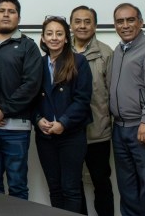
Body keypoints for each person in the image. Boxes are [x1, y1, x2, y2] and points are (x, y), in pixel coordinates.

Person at [0, 0, 41, 199]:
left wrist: (2, 110)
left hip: (16, 131)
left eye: (11, 12)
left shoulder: (28, 46)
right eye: (1, 11)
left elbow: (31, 85)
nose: (6, 15)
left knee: (17, 186)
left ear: (18, 18)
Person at [109, 2, 145, 216]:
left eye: (130, 20)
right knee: (127, 188)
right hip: (119, 128)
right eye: (120, 21)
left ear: (140, 23)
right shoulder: (117, 51)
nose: (125, 25)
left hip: (142, 127)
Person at [34, 16, 92, 212]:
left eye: (59, 34)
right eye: (49, 34)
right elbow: (30, 98)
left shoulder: (79, 61)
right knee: (55, 189)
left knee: (71, 189)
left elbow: (82, 100)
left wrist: (63, 123)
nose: (54, 38)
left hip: (71, 136)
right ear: (43, 38)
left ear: (67, 38)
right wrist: (37, 120)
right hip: (45, 137)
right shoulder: (38, 63)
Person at [70, 5, 114, 216]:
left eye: (87, 22)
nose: (82, 26)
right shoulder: (60, 50)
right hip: (69, 131)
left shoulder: (106, 53)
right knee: (72, 183)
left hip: (98, 131)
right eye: (77, 21)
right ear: (71, 25)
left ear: (95, 26)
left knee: (101, 181)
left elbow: (113, 93)